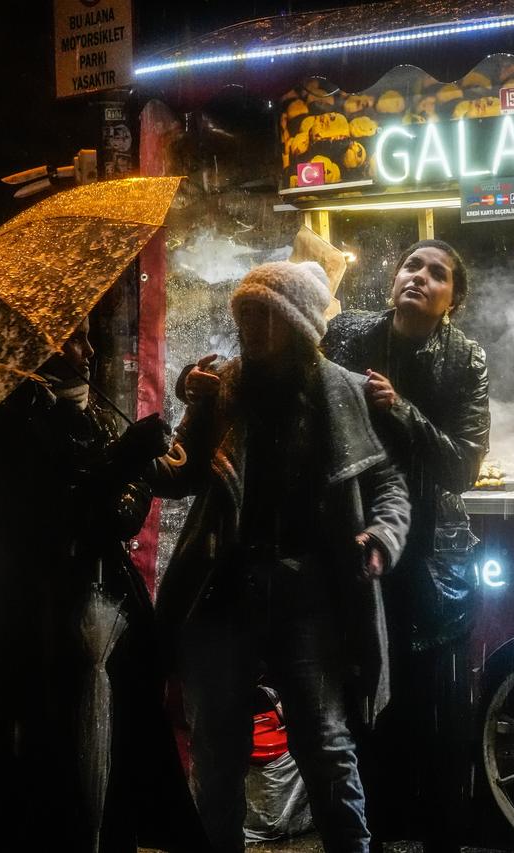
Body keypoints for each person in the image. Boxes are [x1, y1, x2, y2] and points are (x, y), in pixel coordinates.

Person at [183, 239, 489, 852]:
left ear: (453, 300)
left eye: (437, 273)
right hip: (281, 574)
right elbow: (189, 465)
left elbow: (445, 470)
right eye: (411, 265)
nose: (418, 278)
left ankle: (425, 835)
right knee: (250, 738)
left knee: (389, 725)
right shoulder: (330, 345)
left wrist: (400, 418)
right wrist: (190, 399)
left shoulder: (455, 361)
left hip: (403, 565)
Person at [152, 261, 410, 853]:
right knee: (216, 752)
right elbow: (176, 477)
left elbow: (389, 484)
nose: (251, 326)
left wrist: (382, 537)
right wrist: (158, 437)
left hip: (308, 594)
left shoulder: (343, 390)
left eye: (265, 314)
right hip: (224, 590)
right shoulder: (221, 392)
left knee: (325, 746)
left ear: (296, 323)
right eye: (244, 314)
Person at [0, 319, 207, 853]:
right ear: (33, 340)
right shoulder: (3, 416)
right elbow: (47, 520)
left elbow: (171, 482)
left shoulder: (82, 408)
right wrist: (123, 461)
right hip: (42, 631)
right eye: (73, 337)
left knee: (112, 765)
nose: (89, 350)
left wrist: (195, 412)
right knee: (55, 769)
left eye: (89, 335)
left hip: (104, 619)